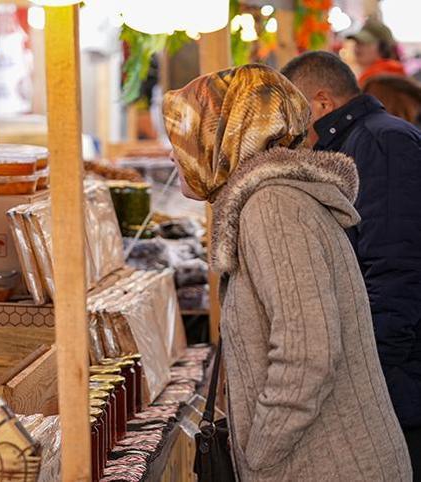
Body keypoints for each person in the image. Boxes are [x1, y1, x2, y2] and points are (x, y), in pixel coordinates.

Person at [163, 64, 412, 481]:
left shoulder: (273, 206)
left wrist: (260, 450)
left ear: (225, 135)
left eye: (183, 135)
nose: (172, 153)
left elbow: (308, 350)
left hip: (327, 467)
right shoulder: (270, 200)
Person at [282, 51, 421, 478]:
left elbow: (395, 265)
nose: (290, 125)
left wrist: (372, 369)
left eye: (294, 109)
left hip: (400, 376)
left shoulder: (379, 142)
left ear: (322, 102)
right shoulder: (357, 141)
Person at [348, 18, 406, 86]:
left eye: (364, 42)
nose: (357, 47)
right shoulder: (388, 72)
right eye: (357, 42)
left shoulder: (380, 77)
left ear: (383, 47)